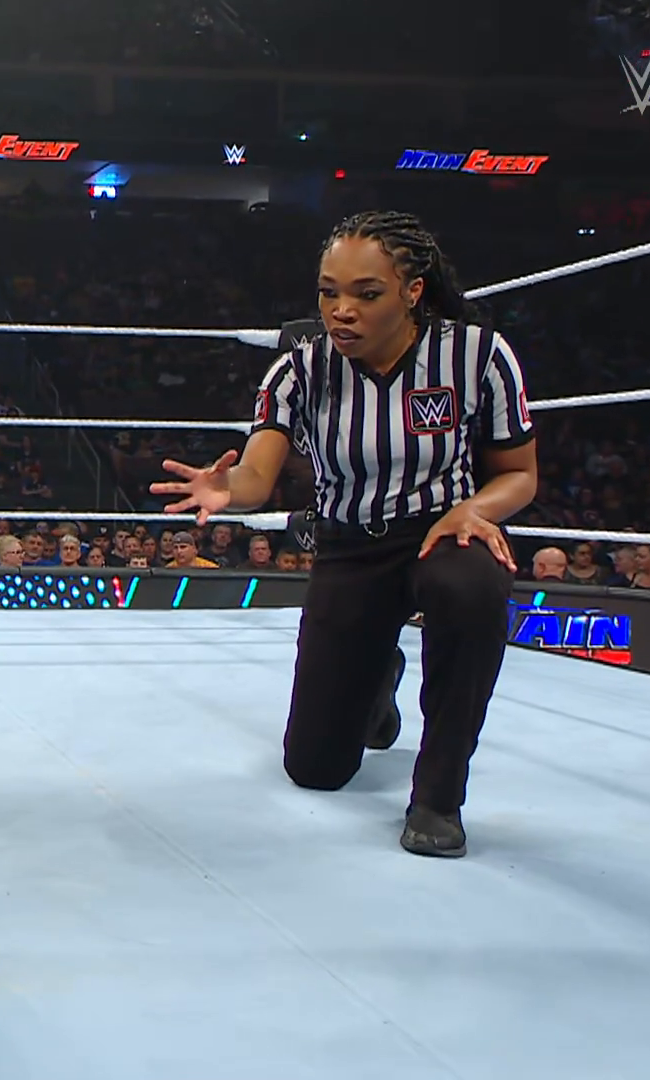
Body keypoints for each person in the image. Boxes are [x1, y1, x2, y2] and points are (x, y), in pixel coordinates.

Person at [153, 210, 538, 858]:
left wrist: (477, 509)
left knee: (472, 587)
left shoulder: (476, 355)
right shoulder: (300, 370)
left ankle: (438, 797)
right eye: (329, 293)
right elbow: (257, 474)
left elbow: (519, 474)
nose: (341, 311)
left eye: (366, 293)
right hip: (349, 545)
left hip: (441, 533)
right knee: (315, 768)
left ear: (412, 292)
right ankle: (377, 678)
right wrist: (226, 490)